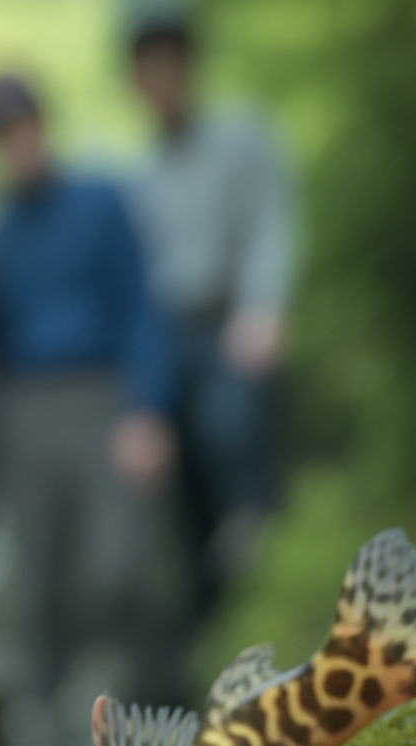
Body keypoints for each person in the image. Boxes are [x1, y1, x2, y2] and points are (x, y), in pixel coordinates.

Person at [0, 74, 175, 746]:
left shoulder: (101, 201)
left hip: (102, 394)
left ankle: (155, 709)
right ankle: (45, 731)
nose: (11, 146)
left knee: (116, 567)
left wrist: (146, 408)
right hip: (21, 408)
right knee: (38, 575)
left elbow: (141, 306)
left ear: (40, 125)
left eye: (18, 128)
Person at [125, 2, 297, 626]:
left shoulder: (244, 137)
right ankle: (211, 619)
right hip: (165, 337)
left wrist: (265, 307)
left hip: (230, 319)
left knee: (237, 445)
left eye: (172, 59)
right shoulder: (134, 171)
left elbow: (270, 228)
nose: (162, 74)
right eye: (149, 64)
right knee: (182, 492)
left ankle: (264, 574)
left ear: (191, 64)